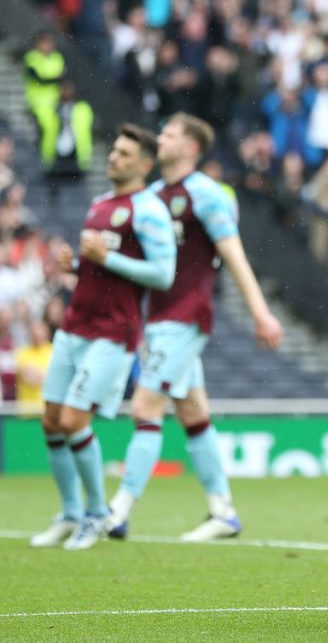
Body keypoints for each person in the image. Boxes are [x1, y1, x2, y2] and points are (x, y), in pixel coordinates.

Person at [104, 113, 283, 542]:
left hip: (186, 315)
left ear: (190, 148)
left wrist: (260, 312)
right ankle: (223, 512)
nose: (159, 138)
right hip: (158, 316)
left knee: (146, 407)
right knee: (192, 414)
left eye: (167, 134)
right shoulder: (149, 195)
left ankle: (115, 513)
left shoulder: (206, 194)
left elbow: (233, 255)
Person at [29, 124, 176, 550]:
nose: (114, 158)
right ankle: (71, 512)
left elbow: (163, 275)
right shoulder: (99, 203)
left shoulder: (148, 209)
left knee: (75, 420)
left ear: (145, 165)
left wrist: (104, 256)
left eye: (126, 154)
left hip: (114, 331)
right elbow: (99, 267)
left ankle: (97, 514)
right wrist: (72, 264)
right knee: (51, 421)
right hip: (76, 324)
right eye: (114, 151)